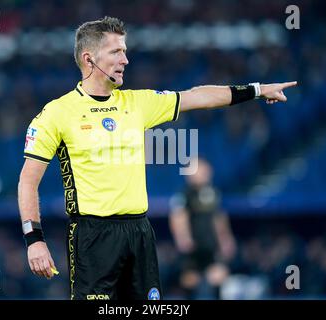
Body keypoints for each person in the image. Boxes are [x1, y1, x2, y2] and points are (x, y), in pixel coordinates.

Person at [17, 16, 297, 300]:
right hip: (92, 236)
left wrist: (258, 90)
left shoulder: (137, 103)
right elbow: (28, 180)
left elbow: (197, 97)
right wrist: (34, 240)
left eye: (125, 51)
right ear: (89, 59)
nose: (125, 60)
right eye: (116, 52)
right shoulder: (56, 113)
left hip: (139, 231)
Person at [169, 158, 236, 299]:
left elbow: (219, 218)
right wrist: (183, 238)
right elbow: (178, 217)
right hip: (193, 246)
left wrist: (225, 239)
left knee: (218, 277)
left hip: (211, 245)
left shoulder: (213, 193)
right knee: (190, 279)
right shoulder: (184, 194)